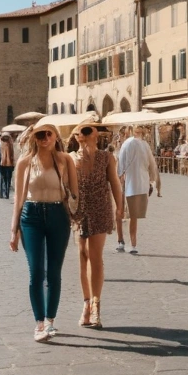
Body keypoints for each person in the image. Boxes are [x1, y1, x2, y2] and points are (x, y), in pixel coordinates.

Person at [10, 122, 78, 342]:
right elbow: (18, 199)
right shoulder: (25, 162)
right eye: (40, 134)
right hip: (31, 215)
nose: (44, 138)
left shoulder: (65, 160)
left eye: (49, 134)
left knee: (54, 272)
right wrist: (14, 230)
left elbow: (75, 194)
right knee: (36, 271)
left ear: (56, 136)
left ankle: (50, 320)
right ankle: (39, 323)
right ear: (34, 137)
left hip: (58, 214)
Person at [71, 124, 124, 330]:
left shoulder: (106, 157)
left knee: (95, 256)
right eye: (81, 131)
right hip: (79, 212)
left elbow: (114, 183)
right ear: (76, 136)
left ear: (96, 134)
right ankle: (85, 303)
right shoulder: (71, 158)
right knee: (82, 255)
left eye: (88, 130)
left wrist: (120, 207)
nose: (85, 134)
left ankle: (95, 304)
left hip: (100, 208)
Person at [116, 125, 155, 255]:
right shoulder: (133, 145)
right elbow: (151, 164)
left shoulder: (131, 144)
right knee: (126, 214)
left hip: (126, 182)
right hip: (131, 183)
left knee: (126, 214)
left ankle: (128, 242)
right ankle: (123, 240)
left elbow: (120, 166)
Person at [0, 133, 15, 199]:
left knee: (3, 179)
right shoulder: (11, 145)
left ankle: (3, 193)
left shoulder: (0, 145)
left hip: (2, 164)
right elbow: (13, 155)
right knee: (8, 179)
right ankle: (7, 193)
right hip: (9, 164)